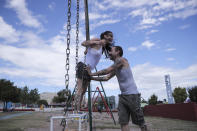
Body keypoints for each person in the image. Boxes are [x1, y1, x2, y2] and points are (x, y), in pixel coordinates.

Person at [87, 46, 147, 131]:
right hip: (123, 97)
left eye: (111, 51)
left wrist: (91, 74)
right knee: (123, 122)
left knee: (140, 122)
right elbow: (106, 77)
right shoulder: (116, 67)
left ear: (118, 52)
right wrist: (92, 78)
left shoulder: (121, 60)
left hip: (132, 96)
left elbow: (106, 71)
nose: (109, 53)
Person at [74, 31, 114, 112]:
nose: (111, 38)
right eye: (109, 36)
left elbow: (90, 50)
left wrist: (87, 49)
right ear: (105, 36)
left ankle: (78, 109)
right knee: (80, 89)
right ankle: (76, 109)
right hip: (83, 65)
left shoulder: (104, 47)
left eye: (112, 36)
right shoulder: (98, 40)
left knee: (84, 91)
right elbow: (83, 43)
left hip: (89, 69)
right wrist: (98, 42)